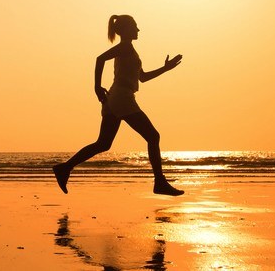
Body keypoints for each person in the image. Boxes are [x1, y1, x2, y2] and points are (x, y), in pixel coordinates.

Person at [53, 14, 184, 196]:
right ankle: (159, 182)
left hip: (116, 97)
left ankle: (65, 168)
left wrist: (165, 68)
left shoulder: (130, 50)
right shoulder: (125, 47)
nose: (138, 30)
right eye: (135, 27)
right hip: (122, 97)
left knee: (103, 143)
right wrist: (96, 87)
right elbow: (100, 59)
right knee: (153, 136)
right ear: (126, 30)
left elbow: (143, 77)